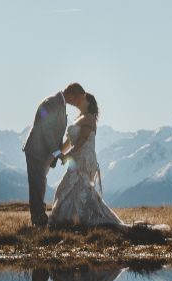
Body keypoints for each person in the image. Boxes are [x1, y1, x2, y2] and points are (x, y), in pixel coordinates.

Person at [49, 92, 124, 228]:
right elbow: (70, 141)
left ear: (88, 102)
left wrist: (68, 155)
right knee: (74, 188)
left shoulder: (89, 118)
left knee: (77, 187)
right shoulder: (80, 118)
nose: (78, 100)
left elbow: (82, 140)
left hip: (84, 157)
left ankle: (74, 220)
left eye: (82, 99)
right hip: (78, 155)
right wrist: (59, 152)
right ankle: (73, 220)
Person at [23, 83, 87, 226]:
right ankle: (38, 220)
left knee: (40, 184)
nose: (79, 104)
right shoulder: (51, 103)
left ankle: (39, 219)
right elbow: (46, 129)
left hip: (43, 154)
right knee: (37, 185)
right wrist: (58, 153)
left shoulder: (59, 104)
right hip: (37, 151)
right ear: (71, 95)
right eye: (78, 99)